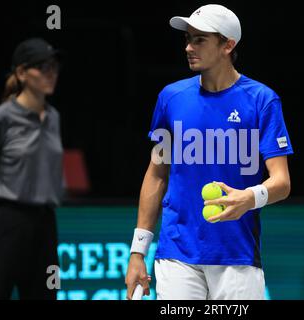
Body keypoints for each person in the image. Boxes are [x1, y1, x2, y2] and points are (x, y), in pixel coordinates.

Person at [125, 4, 293, 300]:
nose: (189, 47)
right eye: (188, 39)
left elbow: (281, 183)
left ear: (228, 45)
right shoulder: (171, 98)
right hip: (176, 253)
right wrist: (138, 252)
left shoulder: (262, 101)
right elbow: (156, 174)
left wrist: (249, 198)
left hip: (237, 256)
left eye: (200, 39)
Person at [0, 38, 63, 300]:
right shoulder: (1, 117)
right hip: (7, 221)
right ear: (21, 73)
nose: (50, 73)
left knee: (46, 295)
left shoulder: (54, 117)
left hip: (45, 223)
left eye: (53, 66)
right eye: (41, 67)